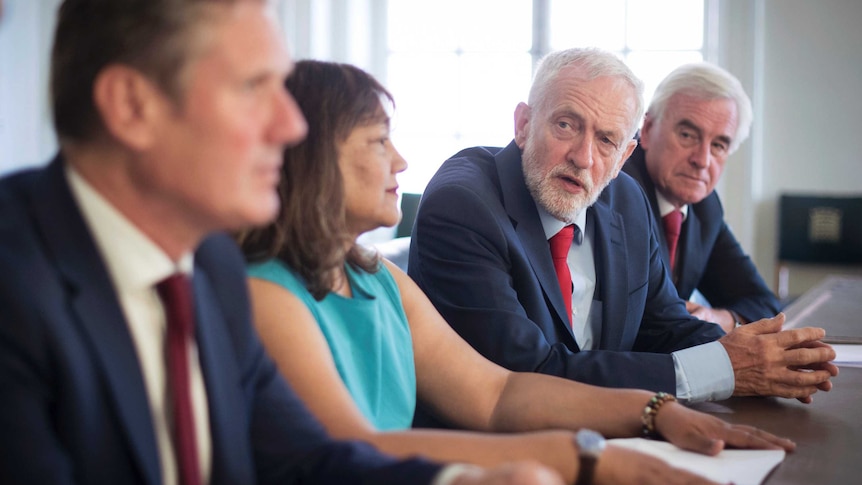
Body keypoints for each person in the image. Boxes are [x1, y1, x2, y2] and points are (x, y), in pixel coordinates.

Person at [0, 1, 564, 484]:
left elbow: (306, 459)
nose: (293, 127)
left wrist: (465, 480)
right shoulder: (14, 286)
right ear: (131, 105)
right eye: (253, 88)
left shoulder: (209, 266)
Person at [238, 59, 796, 485]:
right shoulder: (266, 292)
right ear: (310, 158)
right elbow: (355, 451)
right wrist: (583, 458)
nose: (402, 162)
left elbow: (499, 392)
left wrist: (652, 410)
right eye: (380, 141)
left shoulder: (377, 276)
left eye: (605, 139)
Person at [407, 47, 838, 409]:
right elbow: (526, 373)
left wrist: (765, 357)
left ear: (624, 154)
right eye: (566, 124)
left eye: (607, 140)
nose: (583, 156)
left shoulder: (626, 201)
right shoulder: (463, 205)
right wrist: (724, 368)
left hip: (616, 428)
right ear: (523, 125)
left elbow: (663, 324)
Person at [621, 62, 781, 333]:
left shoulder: (705, 207)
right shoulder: (619, 191)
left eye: (719, 145)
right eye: (687, 135)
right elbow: (647, 324)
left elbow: (765, 304)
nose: (702, 160)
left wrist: (723, 318)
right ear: (646, 130)